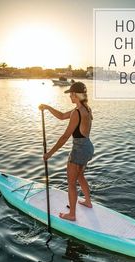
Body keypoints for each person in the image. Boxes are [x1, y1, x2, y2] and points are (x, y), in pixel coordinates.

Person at [38, 81, 94, 221]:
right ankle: (87, 202)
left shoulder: (76, 112)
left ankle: (72, 214)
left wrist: (49, 153)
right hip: (88, 147)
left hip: (79, 150)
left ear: (75, 94)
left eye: (71, 94)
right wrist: (47, 107)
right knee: (80, 176)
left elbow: (64, 137)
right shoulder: (86, 109)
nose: (70, 96)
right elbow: (62, 116)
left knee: (71, 183)